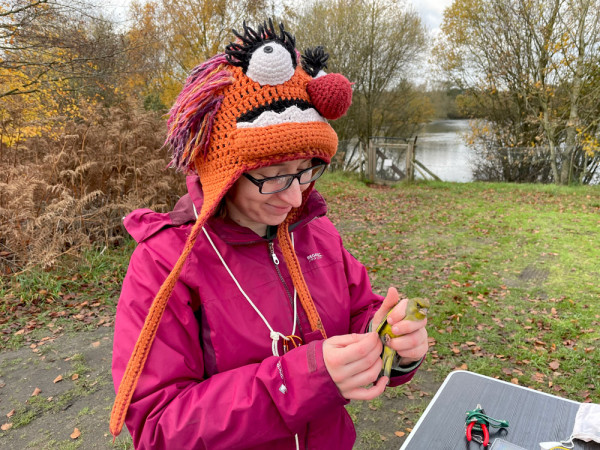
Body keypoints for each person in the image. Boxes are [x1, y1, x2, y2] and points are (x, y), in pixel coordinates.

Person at [110, 20, 428, 449]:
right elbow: (159, 427)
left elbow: (358, 314)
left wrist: (394, 346)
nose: (296, 198)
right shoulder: (165, 264)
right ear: (224, 172)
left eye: (306, 171)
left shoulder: (315, 233)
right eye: (275, 176)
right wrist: (301, 381)